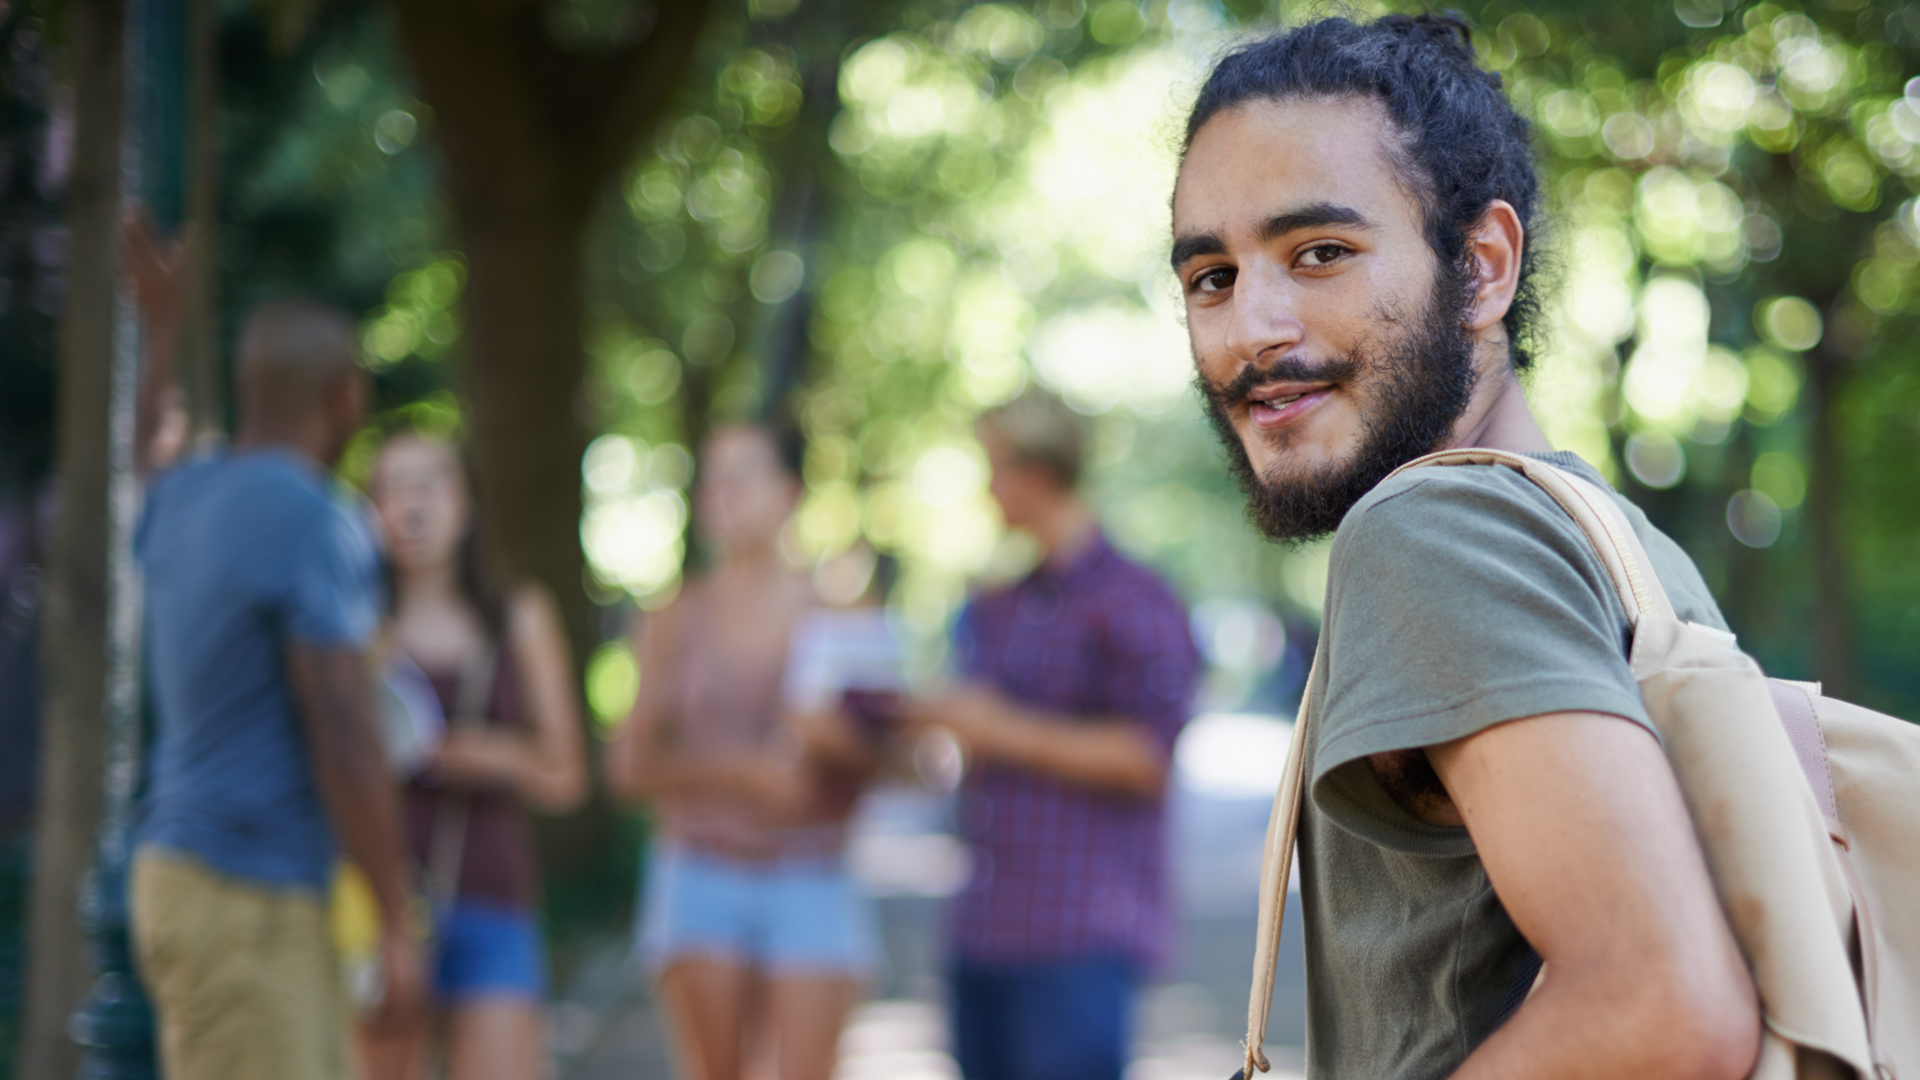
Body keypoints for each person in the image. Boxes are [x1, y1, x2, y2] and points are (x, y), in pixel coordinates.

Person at [1169, 15, 1760, 1080]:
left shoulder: (1432, 532)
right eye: (1210, 275)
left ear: (1481, 269)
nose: (1250, 327)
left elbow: (1663, 1009)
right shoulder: (1615, 538)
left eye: (1320, 254)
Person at [130, 297, 425, 1079]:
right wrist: (397, 919)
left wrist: (160, 332)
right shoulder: (314, 519)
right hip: (245, 893)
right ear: (344, 397)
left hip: (191, 876)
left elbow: (146, 467)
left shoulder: (186, 496)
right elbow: (341, 726)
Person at [904, 388, 1200, 1080]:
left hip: (1079, 932)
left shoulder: (1135, 599)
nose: (987, 490)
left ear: (1035, 473)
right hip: (983, 926)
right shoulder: (995, 603)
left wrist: (1000, 729)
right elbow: (971, 745)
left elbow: (1148, 756)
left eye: (994, 468)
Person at [605, 424, 877, 1080]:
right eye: (711, 476)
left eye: (741, 475)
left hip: (812, 873)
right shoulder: (674, 615)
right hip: (701, 873)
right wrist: (742, 775)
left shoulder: (843, 613)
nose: (719, 493)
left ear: (788, 492)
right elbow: (627, 769)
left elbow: (894, 764)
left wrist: (836, 743)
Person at [358, 430, 588, 1080]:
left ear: (465, 504)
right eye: (390, 488)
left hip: (491, 892)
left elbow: (565, 778)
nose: (410, 504)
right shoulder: (351, 624)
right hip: (381, 906)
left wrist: (481, 756)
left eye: (427, 483)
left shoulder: (520, 616)